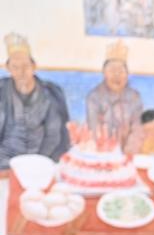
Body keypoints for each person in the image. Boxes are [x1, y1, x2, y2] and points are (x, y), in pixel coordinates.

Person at [0, 32, 69, 169]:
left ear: (34, 66)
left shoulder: (50, 94)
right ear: (8, 69)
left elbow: (53, 136)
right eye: (15, 67)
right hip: (4, 160)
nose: (21, 72)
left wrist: (38, 164)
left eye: (25, 66)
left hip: (39, 160)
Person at [85, 40, 143, 154]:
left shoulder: (135, 97)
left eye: (121, 71)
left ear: (127, 74)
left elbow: (137, 128)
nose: (117, 75)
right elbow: (94, 129)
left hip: (129, 153)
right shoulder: (94, 97)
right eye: (112, 70)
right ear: (104, 73)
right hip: (103, 153)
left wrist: (129, 152)